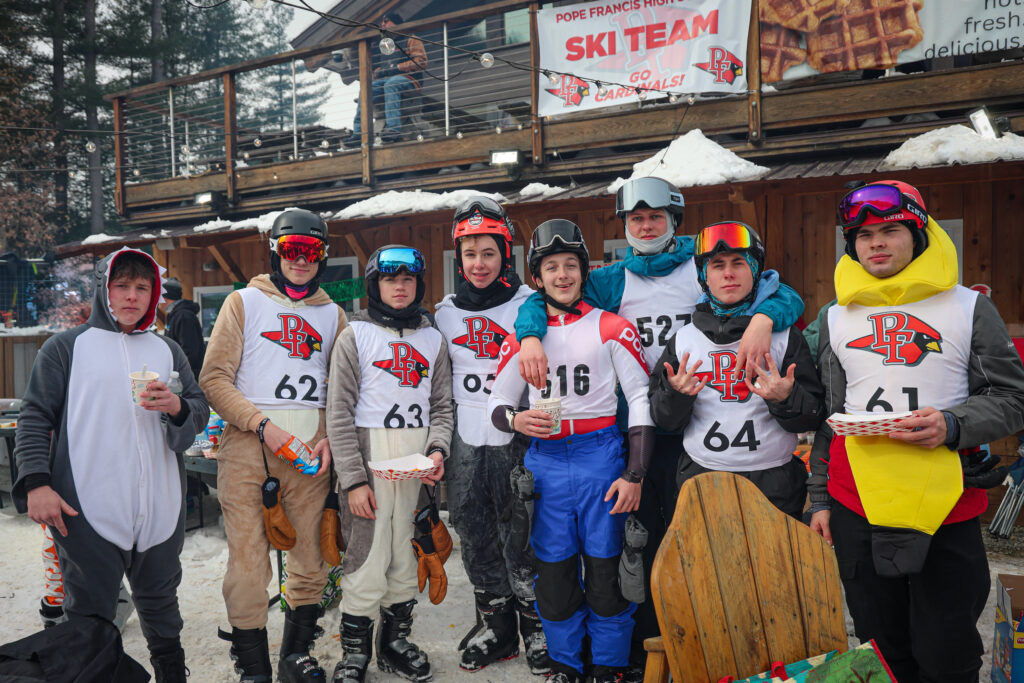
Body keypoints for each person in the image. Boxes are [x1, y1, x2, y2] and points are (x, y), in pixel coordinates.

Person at [513, 176, 805, 672]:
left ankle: (707, 643)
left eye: (656, 217)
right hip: (638, 430)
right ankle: (641, 648)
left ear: (674, 220)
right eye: (636, 218)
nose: (646, 226)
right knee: (639, 541)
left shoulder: (702, 263)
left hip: (701, 427)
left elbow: (783, 292)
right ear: (624, 225)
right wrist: (528, 336)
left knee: (694, 541)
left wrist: (764, 319)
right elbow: (547, 296)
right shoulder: (613, 278)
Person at [807, 180, 1024, 682]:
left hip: (943, 503)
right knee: (880, 653)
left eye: (890, 231)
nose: (876, 243)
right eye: (863, 236)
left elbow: (1013, 399)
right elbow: (830, 417)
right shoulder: (834, 316)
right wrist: (819, 498)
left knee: (947, 655)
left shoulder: (968, 307)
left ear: (919, 234)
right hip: (856, 502)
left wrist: (953, 423)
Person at [12, 246, 209, 682]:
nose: (132, 296)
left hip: (159, 509)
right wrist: (37, 483)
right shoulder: (65, 348)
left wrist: (178, 407)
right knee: (91, 618)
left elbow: (199, 409)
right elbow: (34, 418)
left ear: (154, 294)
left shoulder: (168, 350)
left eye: (142, 287)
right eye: (121, 286)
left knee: (162, 608)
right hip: (87, 508)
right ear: (103, 289)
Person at [488, 220, 654, 683]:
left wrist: (635, 474)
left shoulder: (611, 326)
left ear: (584, 271)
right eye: (551, 267)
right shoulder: (522, 338)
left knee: (607, 571)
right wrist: (516, 420)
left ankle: (608, 666)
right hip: (545, 464)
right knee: (555, 575)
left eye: (570, 265)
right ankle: (565, 664)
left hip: (600, 458)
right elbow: (496, 403)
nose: (562, 275)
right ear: (537, 277)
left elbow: (640, 399)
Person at [200, 209, 345, 683]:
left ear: (323, 256)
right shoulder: (243, 302)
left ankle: (294, 656)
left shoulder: (333, 314)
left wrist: (329, 438)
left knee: (311, 561)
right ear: (275, 253)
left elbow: (345, 389)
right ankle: (253, 664)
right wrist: (263, 426)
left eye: (311, 251)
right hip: (249, 450)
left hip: (310, 455)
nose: (300, 260)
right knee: (247, 564)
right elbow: (214, 378)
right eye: (291, 250)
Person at [434, 197, 550, 674]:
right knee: (472, 526)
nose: (479, 264)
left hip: (516, 431)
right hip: (465, 435)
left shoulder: (530, 305)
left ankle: (537, 626)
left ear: (505, 253)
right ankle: (496, 624)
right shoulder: (444, 312)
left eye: (488, 253)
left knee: (522, 527)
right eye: (469, 254)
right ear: (458, 258)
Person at [327, 245, 452, 683]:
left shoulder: (433, 339)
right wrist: (352, 479)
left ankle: (394, 642)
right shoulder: (355, 335)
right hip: (369, 465)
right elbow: (338, 412)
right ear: (374, 284)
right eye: (389, 279)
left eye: (408, 279)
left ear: (419, 284)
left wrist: (438, 450)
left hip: (416, 468)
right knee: (367, 555)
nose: (400, 287)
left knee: (407, 551)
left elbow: (442, 406)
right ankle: (355, 651)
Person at [648, 221, 824, 517]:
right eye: (717, 265)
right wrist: (675, 395)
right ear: (704, 277)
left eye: (738, 263)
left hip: (774, 484)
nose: (728, 274)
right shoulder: (684, 339)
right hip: (702, 480)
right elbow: (665, 420)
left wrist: (786, 398)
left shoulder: (784, 337)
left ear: (755, 270)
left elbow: (812, 417)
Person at [342, 12, 426, 146]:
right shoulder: (386, 44)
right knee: (367, 88)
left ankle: (393, 128)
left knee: (391, 84)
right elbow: (379, 66)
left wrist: (397, 68)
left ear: (395, 22)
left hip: (409, 79)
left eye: (386, 21)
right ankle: (359, 133)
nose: (383, 24)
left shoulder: (411, 39)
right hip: (389, 79)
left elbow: (421, 61)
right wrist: (379, 72)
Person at [162, 277, 205, 378]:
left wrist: (180, 375)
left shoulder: (184, 316)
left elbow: (191, 351)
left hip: (188, 376)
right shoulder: (173, 315)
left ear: (165, 298)